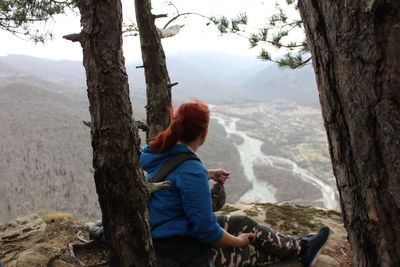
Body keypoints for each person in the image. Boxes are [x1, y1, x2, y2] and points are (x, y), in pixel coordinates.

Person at [140, 99, 330, 267]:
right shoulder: (191, 170)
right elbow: (207, 231)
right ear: (204, 133)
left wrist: (207, 174)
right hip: (175, 246)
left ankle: (298, 246)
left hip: (162, 230)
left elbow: (173, 179)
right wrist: (239, 241)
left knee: (242, 221)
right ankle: (301, 250)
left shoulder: (157, 149)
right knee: (249, 252)